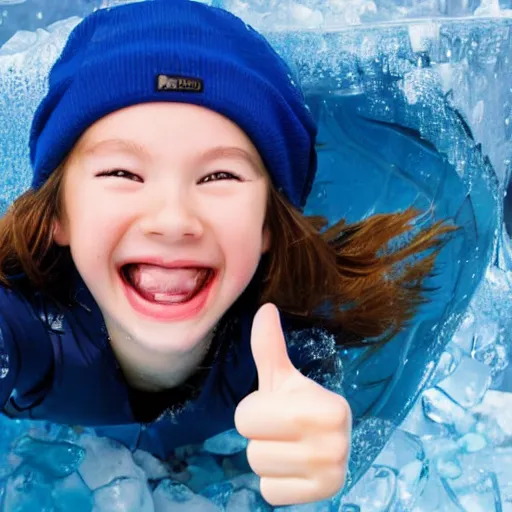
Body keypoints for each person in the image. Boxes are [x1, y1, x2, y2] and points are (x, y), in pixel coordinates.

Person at [0, 0, 452, 506]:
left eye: (219, 176)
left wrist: (326, 445)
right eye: (121, 173)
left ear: (267, 224)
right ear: (58, 214)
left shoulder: (290, 342)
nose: (172, 221)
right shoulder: (26, 323)